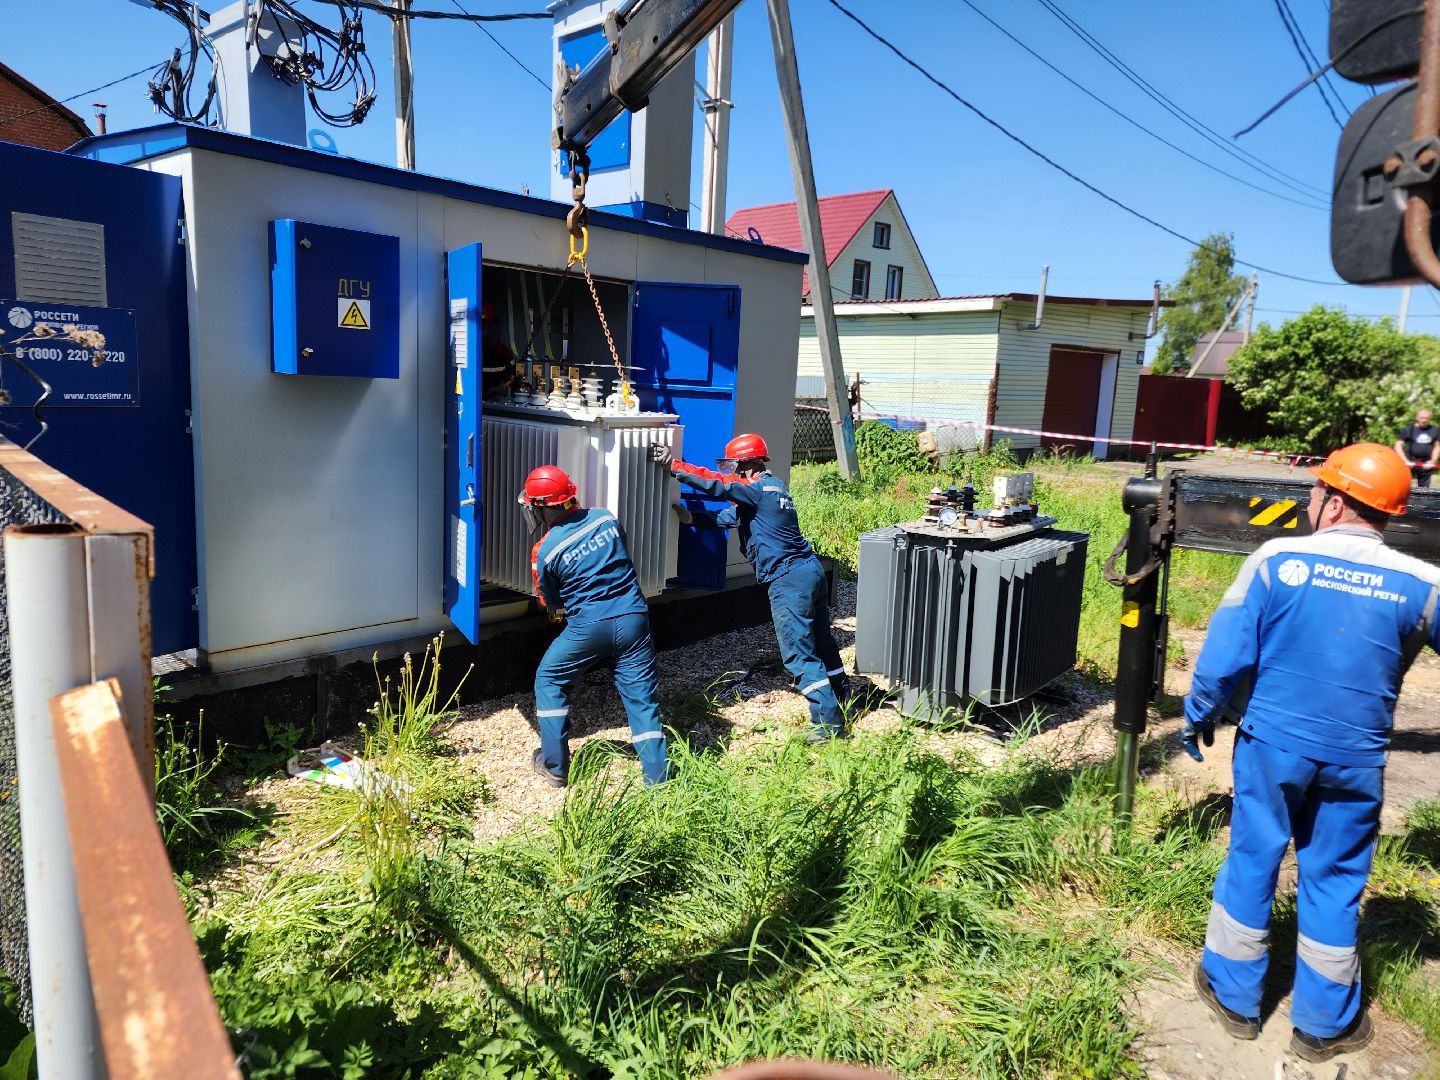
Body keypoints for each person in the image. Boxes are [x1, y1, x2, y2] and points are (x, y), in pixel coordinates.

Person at [1184, 442, 1440, 1063]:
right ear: (1387, 514)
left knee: (1253, 858)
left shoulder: (1276, 559)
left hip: (1273, 746)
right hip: (1357, 759)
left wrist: (1198, 716)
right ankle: (1323, 1026)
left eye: (1315, 492)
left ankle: (1234, 998)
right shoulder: (1425, 584)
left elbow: (1224, 657)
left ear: (1332, 501)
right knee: (1335, 879)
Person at [653, 433, 850, 740]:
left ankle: (828, 727)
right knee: (822, 643)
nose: (730, 471)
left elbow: (717, 484)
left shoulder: (755, 489)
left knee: (799, 654)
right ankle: (841, 697)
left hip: (788, 580)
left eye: (733, 466)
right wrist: (693, 518)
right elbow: (729, 517)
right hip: (809, 571)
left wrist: (673, 465)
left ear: (746, 465)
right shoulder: (774, 488)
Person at [522, 465, 668, 787]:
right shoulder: (606, 518)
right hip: (633, 619)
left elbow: (552, 603)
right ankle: (658, 781)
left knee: (549, 679)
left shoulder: (544, 550)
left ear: (542, 507)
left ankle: (556, 767)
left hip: (588, 627)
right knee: (642, 699)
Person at [1394, 408, 1439, 487]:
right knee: (1404, 487)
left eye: (1426, 418)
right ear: (1417, 418)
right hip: (1409, 463)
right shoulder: (1408, 429)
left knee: (1424, 491)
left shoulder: (1434, 430)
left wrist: (1432, 461)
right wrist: (1405, 461)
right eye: (1422, 418)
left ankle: (1423, 499)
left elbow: (1437, 446)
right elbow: (1398, 445)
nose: (1424, 420)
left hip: (1426, 464)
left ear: (1429, 419)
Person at [480, 300, 515, 400]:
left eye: (487, 326)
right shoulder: (463, 354)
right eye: (482, 325)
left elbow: (512, 379)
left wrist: (505, 386)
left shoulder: (503, 353)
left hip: (494, 404)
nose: (484, 331)